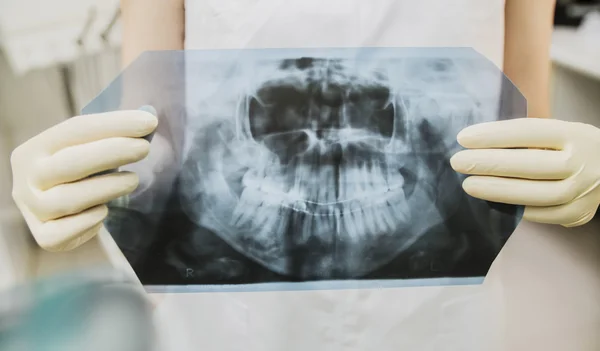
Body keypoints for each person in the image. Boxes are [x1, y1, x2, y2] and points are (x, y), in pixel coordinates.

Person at [8, 0, 600, 350]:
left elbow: (524, 109)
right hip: (233, 323)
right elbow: (152, 124)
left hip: (441, 315)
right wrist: (87, 182)